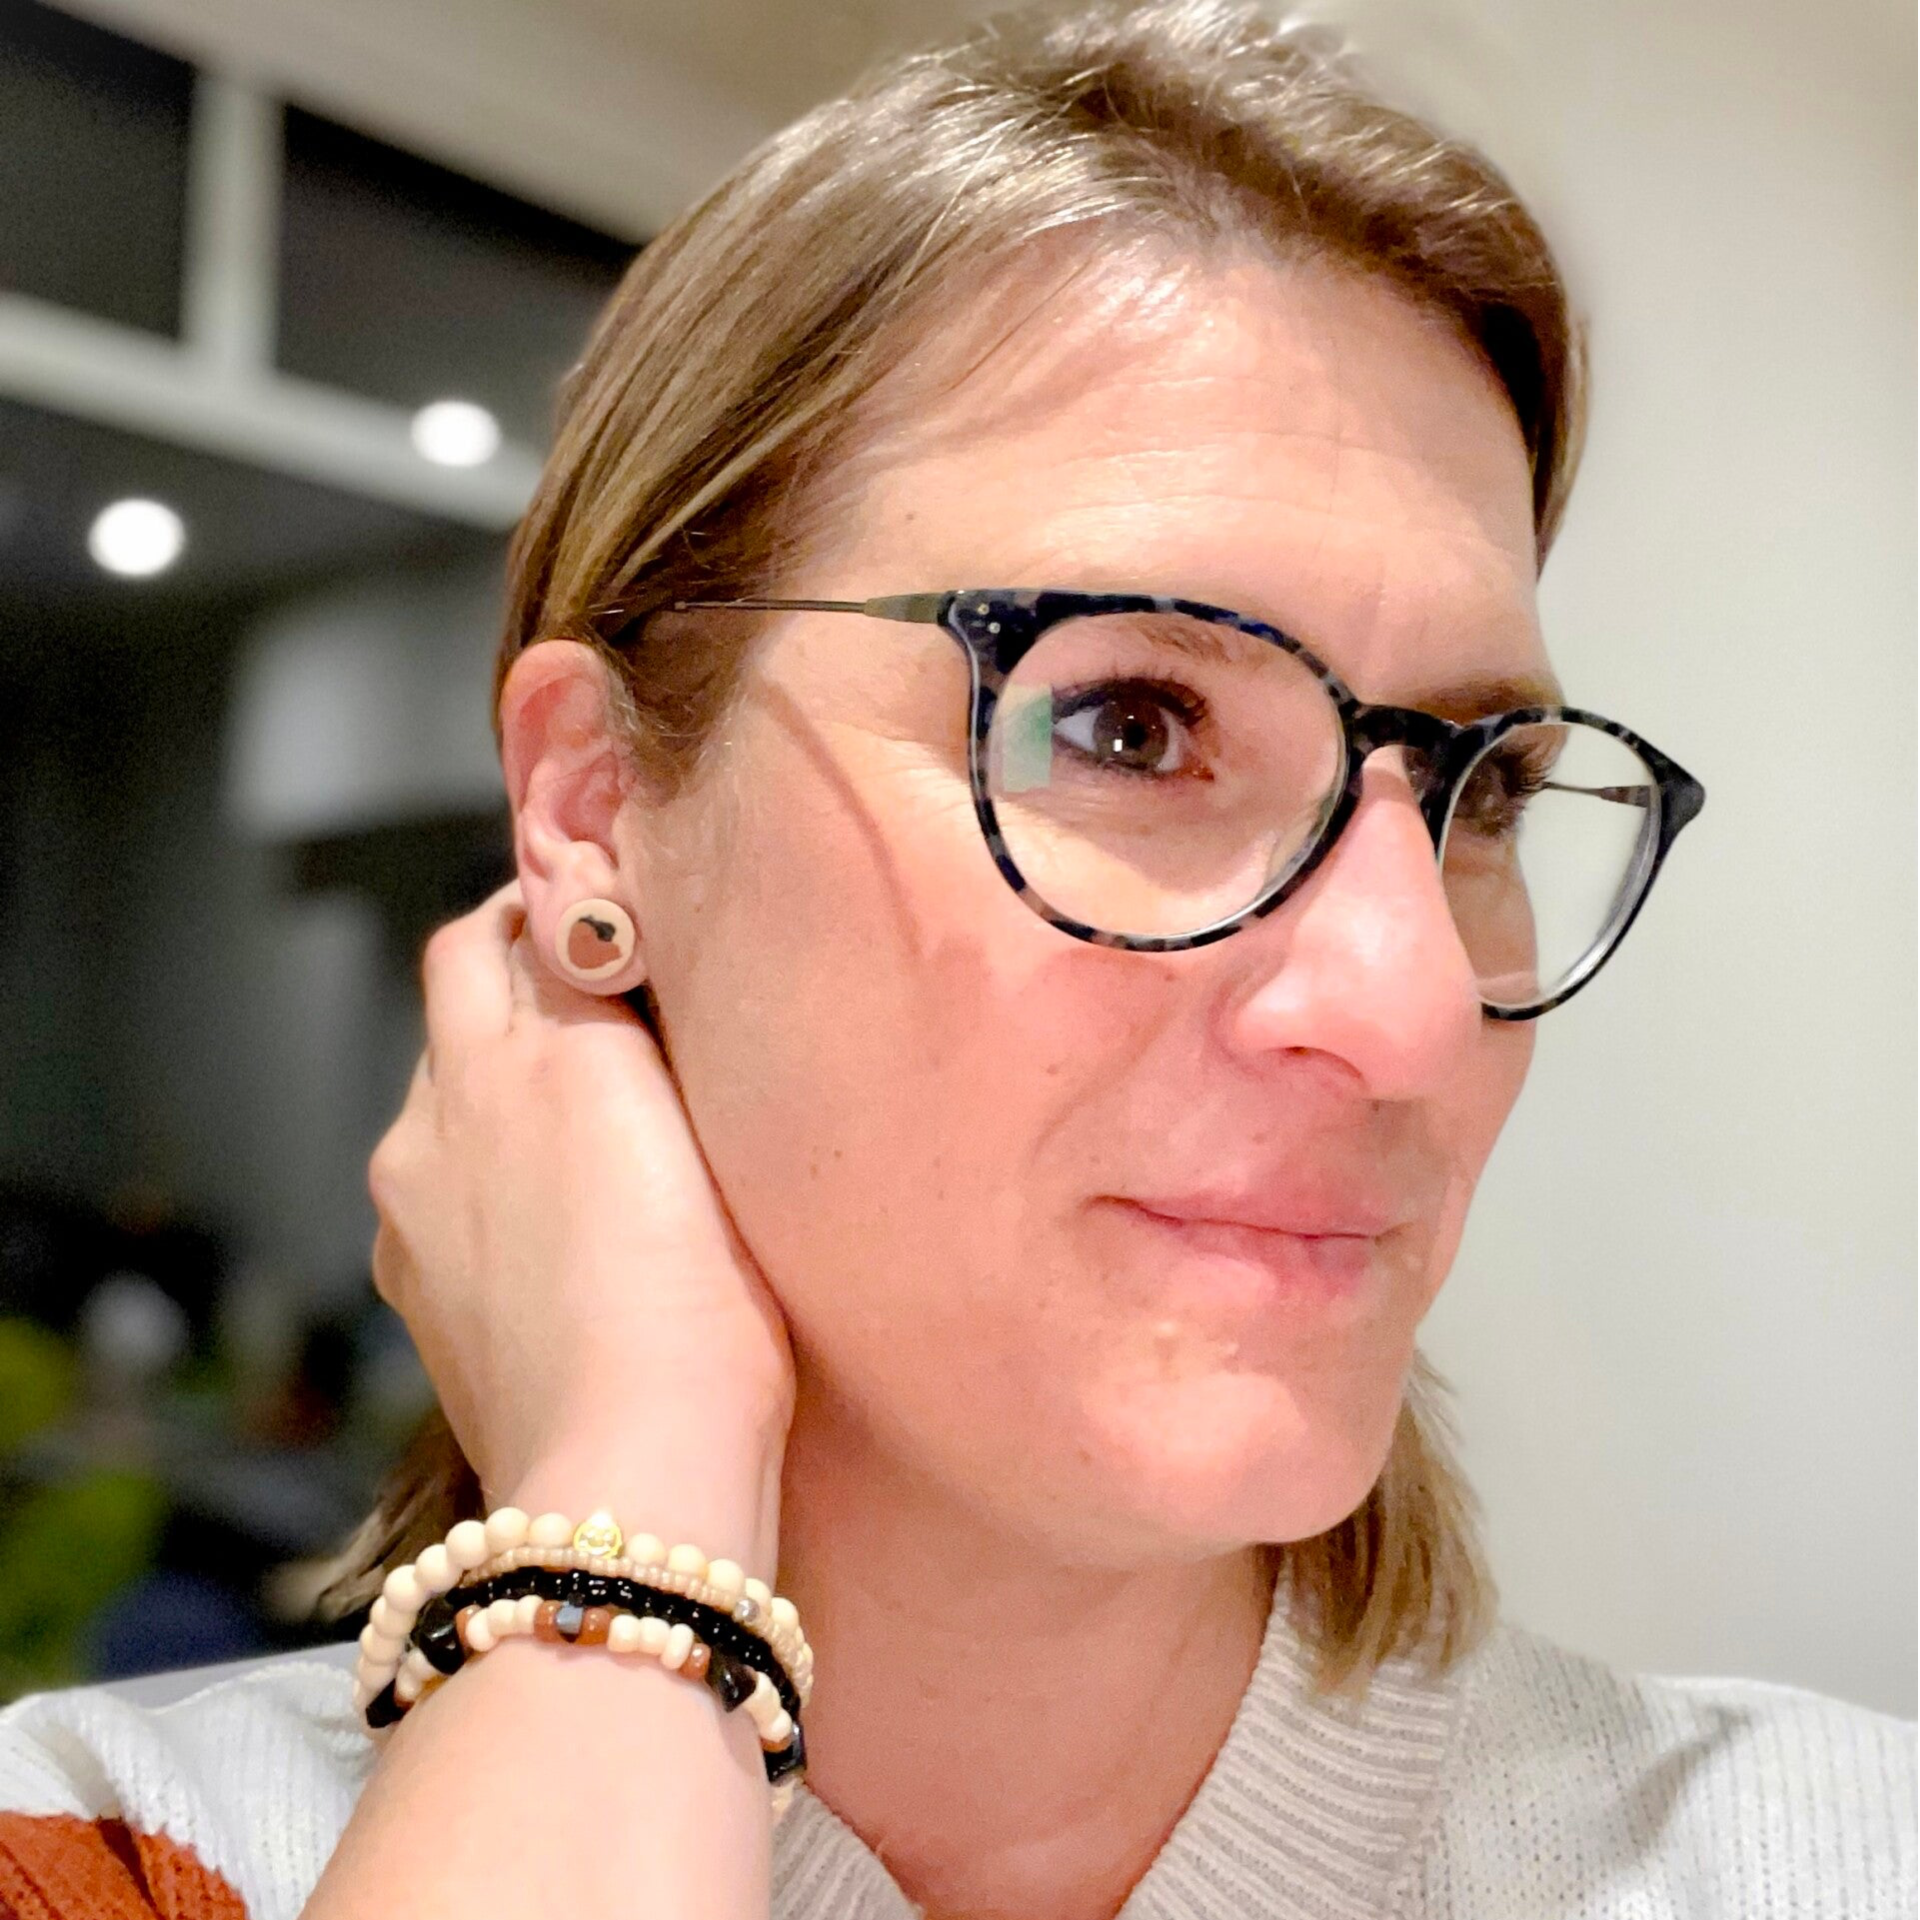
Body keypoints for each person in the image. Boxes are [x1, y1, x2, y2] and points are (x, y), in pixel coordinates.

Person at [2, 3, 1913, 1915]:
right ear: (594, 807)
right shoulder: (109, 1861)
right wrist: (627, 1524)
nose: (1411, 1010)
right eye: (1131, 726)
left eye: (1485, 791)